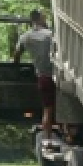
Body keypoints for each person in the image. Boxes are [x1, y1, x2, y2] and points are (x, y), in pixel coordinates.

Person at [14, 9, 56, 143]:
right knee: (56, 108)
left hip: (43, 76)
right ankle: (56, 134)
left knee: (47, 109)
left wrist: (17, 67)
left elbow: (16, 55)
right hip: (58, 75)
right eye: (44, 17)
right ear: (41, 19)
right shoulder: (50, 35)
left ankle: (47, 137)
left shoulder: (25, 37)